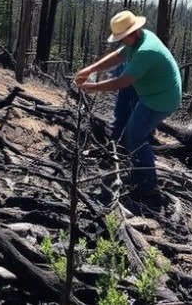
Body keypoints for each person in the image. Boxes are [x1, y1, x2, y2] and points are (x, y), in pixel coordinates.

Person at [73, 10, 181, 202]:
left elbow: (123, 81)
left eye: (122, 38)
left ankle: (148, 187)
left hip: (161, 100)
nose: (121, 41)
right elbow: (117, 56)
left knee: (136, 135)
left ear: (133, 33)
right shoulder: (140, 38)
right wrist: (91, 69)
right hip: (152, 93)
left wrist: (94, 87)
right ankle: (138, 176)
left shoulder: (145, 50)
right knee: (134, 134)